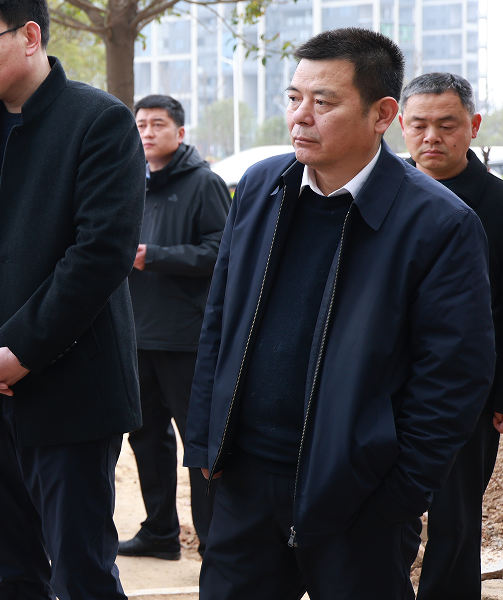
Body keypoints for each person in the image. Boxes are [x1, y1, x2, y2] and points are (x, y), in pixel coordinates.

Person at [186, 29, 494, 599]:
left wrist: (398, 495)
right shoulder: (260, 187)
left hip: (359, 496)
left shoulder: (438, 223)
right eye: (293, 97)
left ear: (382, 114)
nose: (300, 116)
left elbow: (454, 375)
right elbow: (220, 320)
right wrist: (205, 443)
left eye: (323, 102)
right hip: (245, 482)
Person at [0, 0, 145, 599]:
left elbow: (99, 255)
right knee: (10, 568)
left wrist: (22, 351)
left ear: (30, 36)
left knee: (82, 572)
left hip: (71, 389)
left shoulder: (99, 121)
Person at [399, 72, 503, 600]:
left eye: (447, 124)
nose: (431, 137)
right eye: (419, 124)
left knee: (455, 514)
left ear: (473, 125)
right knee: (378, 507)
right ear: (399, 124)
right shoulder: (383, 193)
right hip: (384, 380)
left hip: (467, 389)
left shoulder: (498, 204)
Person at [117, 94, 229, 561]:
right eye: (140, 124)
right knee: (145, 438)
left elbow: (222, 251)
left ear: (180, 132)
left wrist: (156, 257)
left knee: (199, 444)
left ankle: (215, 545)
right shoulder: (128, 180)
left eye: (157, 124)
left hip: (187, 338)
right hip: (136, 334)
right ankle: (160, 533)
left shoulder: (204, 183)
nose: (147, 132)